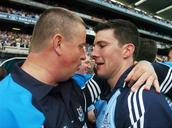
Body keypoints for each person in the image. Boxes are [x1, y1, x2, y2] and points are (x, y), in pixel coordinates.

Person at [0, 7, 160, 128]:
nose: (86, 55)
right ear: (58, 44)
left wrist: (146, 65)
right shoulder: (5, 107)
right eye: (81, 46)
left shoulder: (77, 85)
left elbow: (116, 74)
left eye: (101, 45)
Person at [88, 19, 172, 127]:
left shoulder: (141, 101)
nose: (93, 53)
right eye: (93, 47)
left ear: (127, 50)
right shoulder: (106, 88)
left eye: (102, 45)